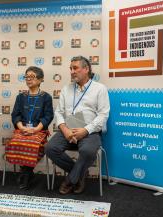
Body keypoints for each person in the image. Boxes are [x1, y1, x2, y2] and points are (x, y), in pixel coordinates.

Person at [45, 56, 110, 195]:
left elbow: (103, 115)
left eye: (75, 68)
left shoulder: (99, 89)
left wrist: (85, 130)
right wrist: (64, 129)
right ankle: (80, 173)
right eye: (70, 68)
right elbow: (59, 112)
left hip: (90, 131)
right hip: (67, 129)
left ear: (86, 69)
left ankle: (70, 180)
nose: (72, 71)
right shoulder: (66, 89)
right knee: (50, 148)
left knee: (87, 151)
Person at [6, 66, 54, 190]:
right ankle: (27, 173)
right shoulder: (20, 97)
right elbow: (15, 115)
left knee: (31, 144)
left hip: (39, 130)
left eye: (32, 77)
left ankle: (25, 174)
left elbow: (48, 116)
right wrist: (21, 127)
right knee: (16, 142)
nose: (28, 79)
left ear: (40, 79)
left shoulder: (46, 97)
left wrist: (35, 129)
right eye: (26, 77)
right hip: (22, 129)